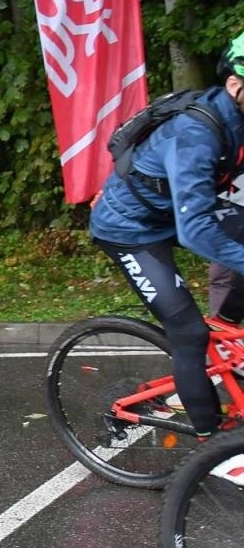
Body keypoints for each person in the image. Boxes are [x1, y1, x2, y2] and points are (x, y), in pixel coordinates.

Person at [89, 31, 244, 438]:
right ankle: (213, 441)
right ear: (235, 84)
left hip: (172, 212)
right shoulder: (198, 135)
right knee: (189, 334)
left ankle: (227, 331)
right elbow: (196, 230)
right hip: (131, 229)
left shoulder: (237, 116)